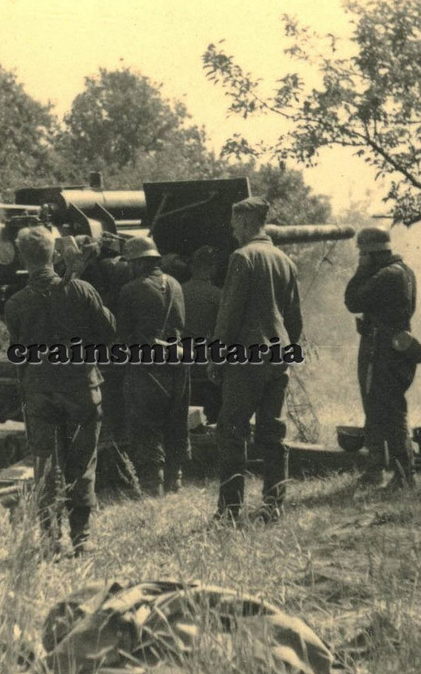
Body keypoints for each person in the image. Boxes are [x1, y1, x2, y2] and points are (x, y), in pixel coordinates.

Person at [3, 226, 117, 556]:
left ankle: (51, 539)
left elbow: (18, 349)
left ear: (22, 258)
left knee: (46, 465)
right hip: (81, 387)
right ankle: (82, 538)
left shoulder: (15, 304)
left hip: (40, 392)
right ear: (54, 254)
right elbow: (109, 331)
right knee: (82, 464)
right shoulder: (81, 290)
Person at [210, 196, 303, 524]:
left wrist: (217, 356)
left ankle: (230, 511)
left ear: (249, 223)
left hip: (247, 358)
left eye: (236, 224)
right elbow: (295, 320)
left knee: (231, 432)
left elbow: (229, 313)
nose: (234, 231)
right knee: (273, 433)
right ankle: (273, 506)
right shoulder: (285, 260)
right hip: (277, 358)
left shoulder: (242, 257)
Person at [343, 227, 419, 491]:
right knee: (377, 409)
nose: (361, 259)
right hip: (391, 348)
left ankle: (404, 475)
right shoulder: (404, 271)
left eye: (363, 254)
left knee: (390, 411)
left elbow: (352, 301)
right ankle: (376, 469)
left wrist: (362, 270)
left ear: (371, 254)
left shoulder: (386, 276)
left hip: (382, 352)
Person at [116, 236, 190, 497]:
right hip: (178, 363)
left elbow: (122, 333)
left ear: (137, 263)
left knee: (145, 424)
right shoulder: (177, 285)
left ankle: (152, 485)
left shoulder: (130, 290)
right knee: (175, 421)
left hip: (147, 366)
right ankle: (175, 480)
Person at [181, 245, 223, 424]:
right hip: (208, 362)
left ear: (192, 267)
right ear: (213, 269)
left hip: (182, 360)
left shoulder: (178, 290)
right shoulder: (218, 295)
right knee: (212, 417)